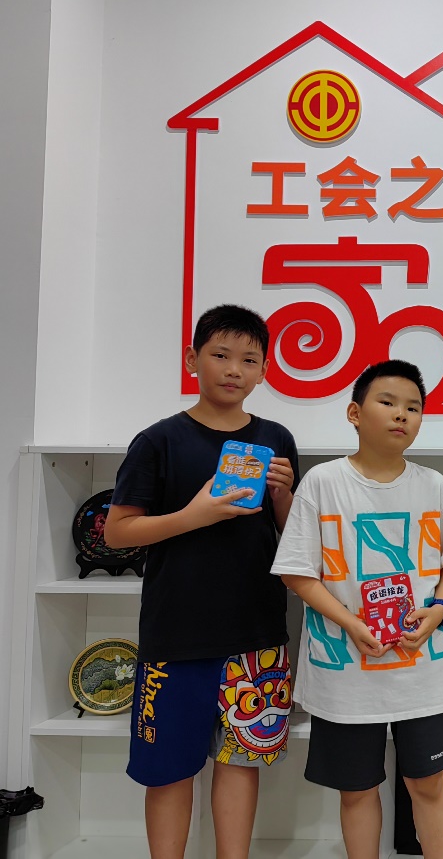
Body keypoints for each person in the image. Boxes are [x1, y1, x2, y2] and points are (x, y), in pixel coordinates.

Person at [104, 304, 299, 859]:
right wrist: (194, 516)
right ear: (192, 359)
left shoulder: (276, 438)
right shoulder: (158, 441)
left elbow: (294, 540)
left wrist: (284, 495)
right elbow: (117, 532)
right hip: (176, 635)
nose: (234, 369)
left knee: (240, 763)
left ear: (264, 371)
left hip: (257, 633)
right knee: (168, 770)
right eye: (220, 355)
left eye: (249, 360)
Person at [272, 360, 443, 859]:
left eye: (413, 407)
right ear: (355, 413)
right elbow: (297, 572)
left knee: (429, 784)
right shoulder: (323, 482)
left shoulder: (433, 484)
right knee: (357, 790)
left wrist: (440, 609)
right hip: (345, 675)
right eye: (388, 402)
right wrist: (351, 623)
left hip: (420, 671)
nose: (402, 414)